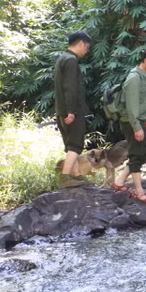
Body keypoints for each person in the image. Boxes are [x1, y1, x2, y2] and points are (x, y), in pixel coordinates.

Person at [112, 48, 146, 204]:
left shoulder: (143, 76)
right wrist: (137, 127)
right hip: (130, 121)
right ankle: (139, 192)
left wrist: (144, 119)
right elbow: (132, 107)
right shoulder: (134, 78)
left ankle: (118, 183)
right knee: (136, 155)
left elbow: (141, 102)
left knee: (141, 154)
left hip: (138, 120)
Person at [53, 31, 92, 188]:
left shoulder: (62, 58)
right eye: (87, 47)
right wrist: (71, 111)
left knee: (71, 145)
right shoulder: (71, 61)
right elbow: (70, 88)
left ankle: (75, 175)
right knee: (76, 144)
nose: (86, 51)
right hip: (71, 111)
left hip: (61, 110)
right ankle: (65, 176)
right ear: (81, 43)